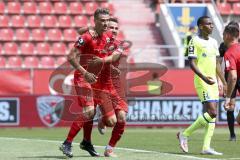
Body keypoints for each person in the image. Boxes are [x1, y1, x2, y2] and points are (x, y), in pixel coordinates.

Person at [59, 8, 120, 158]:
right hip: (82, 77)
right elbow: (70, 56)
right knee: (89, 111)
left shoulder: (107, 38)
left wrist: (112, 67)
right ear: (95, 21)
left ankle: (86, 141)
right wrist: (85, 72)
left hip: (95, 80)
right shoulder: (86, 37)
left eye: (107, 20)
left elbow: (104, 56)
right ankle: (67, 143)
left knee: (100, 117)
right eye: (102, 20)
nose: (105, 23)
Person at [78, 17, 128, 157]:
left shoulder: (119, 44)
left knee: (122, 117)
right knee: (111, 121)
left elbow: (114, 57)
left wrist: (108, 64)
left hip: (116, 85)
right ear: (106, 28)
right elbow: (79, 31)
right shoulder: (98, 40)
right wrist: (91, 28)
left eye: (116, 28)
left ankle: (110, 148)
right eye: (111, 27)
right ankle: (101, 122)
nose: (114, 30)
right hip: (101, 85)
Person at [177, 16, 227, 155]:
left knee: (211, 116)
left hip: (213, 82)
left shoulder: (214, 42)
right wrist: (204, 78)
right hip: (202, 81)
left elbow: (217, 64)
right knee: (212, 112)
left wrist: (222, 82)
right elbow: (191, 63)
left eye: (212, 24)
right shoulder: (194, 41)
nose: (212, 26)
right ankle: (184, 134)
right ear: (201, 26)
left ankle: (206, 147)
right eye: (208, 24)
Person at [218, 21, 239, 141]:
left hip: (234, 75)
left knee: (230, 105)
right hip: (230, 76)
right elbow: (220, 63)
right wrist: (220, 80)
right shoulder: (223, 46)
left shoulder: (234, 47)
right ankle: (232, 134)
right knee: (231, 106)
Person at [223, 24, 240, 131]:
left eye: (223, 34)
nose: (222, 37)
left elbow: (233, 77)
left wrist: (227, 98)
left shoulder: (229, 53)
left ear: (228, 35)